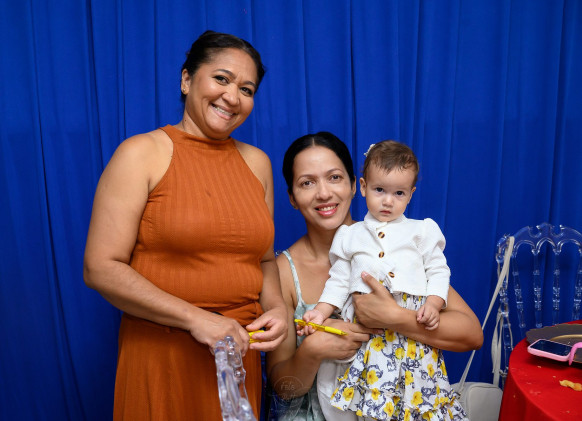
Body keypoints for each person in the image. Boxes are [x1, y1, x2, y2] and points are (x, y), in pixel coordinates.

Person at [83, 30, 287, 420]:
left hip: (238, 356)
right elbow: (100, 268)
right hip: (162, 355)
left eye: (246, 89)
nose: (233, 97)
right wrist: (196, 318)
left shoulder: (257, 163)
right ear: (187, 79)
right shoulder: (141, 153)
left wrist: (276, 308)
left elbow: (263, 260)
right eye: (222, 79)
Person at [267, 134, 483, 421]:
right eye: (307, 183)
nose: (323, 193)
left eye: (334, 177)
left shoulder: (397, 247)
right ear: (292, 198)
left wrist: (394, 317)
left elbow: (472, 334)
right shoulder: (281, 270)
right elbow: (282, 389)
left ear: (354, 186)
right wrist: (312, 350)